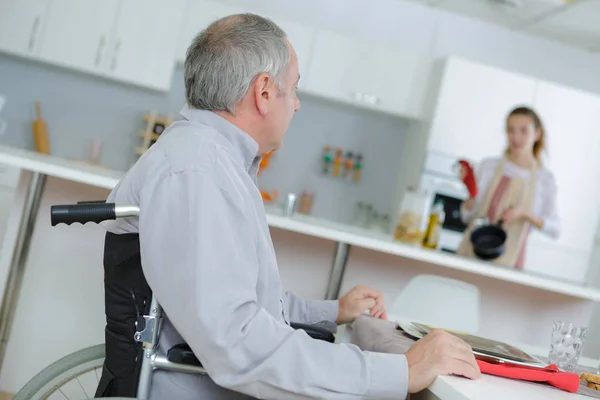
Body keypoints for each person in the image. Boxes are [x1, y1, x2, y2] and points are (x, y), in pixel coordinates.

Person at [104, 13, 480, 399]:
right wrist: (400, 371)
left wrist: (332, 311)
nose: (297, 105)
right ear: (264, 92)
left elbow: (240, 301)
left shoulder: (210, 161)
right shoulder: (197, 173)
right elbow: (238, 342)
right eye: (294, 89)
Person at [457, 106, 560, 269]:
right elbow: (467, 217)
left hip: (510, 259)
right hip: (472, 252)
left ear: (537, 134)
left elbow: (555, 229)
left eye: (523, 131)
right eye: (511, 130)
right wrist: (470, 193)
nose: (516, 137)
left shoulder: (544, 179)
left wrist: (524, 215)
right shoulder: (489, 166)